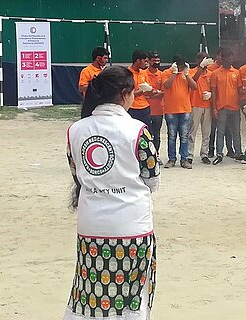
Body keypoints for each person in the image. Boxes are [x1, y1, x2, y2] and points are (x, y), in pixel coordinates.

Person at [65, 65, 159, 320]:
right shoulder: (138, 131)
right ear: (125, 93)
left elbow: (77, 174)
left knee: (90, 291)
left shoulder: (75, 130)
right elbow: (152, 178)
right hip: (131, 226)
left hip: (91, 226)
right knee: (131, 294)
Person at [161, 54, 198, 169]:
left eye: (182, 66)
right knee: (172, 136)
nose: (181, 68)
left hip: (185, 109)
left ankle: (184, 159)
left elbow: (194, 86)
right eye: (179, 66)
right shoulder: (166, 73)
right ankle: (172, 159)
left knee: (184, 136)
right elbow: (167, 86)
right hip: (170, 110)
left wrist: (186, 75)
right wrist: (173, 73)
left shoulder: (186, 73)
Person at [209, 48, 242, 165]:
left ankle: (238, 153)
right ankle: (219, 154)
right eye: (228, 58)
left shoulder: (236, 73)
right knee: (220, 132)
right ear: (222, 59)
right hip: (221, 107)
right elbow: (213, 92)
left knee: (236, 132)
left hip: (235, 107)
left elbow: (239, 89)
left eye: (231, 58)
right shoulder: (215, 74)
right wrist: (214, 108)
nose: (230, 60)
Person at [187, 52, 215, 164]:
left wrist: (211, 95)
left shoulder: (211, 74)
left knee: (206, 132)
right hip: (195, 104)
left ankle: (204, 154)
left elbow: (214, 89)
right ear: (198, 60)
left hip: (207, 105)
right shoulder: (192, 72)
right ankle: (189, 154)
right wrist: (201, 67)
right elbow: (193, 81)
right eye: (202, 59)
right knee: (192, 131)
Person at [127, 50, 154, 127]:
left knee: (146, 132)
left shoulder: (143, 72)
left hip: (145, 107)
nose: (146, 63)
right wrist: (141, 91)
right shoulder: (127, 73)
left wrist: (151, 91)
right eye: (145, 61)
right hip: (132, 107)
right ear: (138, 60)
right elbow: (128, 94)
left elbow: (148, 90)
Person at [146, 51, 166, 153]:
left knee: (157, 135)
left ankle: (156, 155)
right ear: (148, 61)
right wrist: (154, 93)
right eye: (154, 61)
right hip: (146, 110)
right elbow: (144, 93)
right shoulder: (144, 74)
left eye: (158, 61)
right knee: (146, 135)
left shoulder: (162, 75)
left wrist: (151, 94)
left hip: (158, 110)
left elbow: (163, 93)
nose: (156, 63)